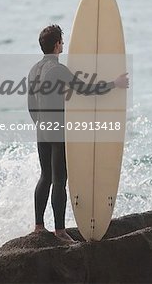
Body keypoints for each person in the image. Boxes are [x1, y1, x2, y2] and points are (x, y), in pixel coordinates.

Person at [28, 24, 129, 243]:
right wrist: (116, 83)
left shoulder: (34, 70)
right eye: (62, 42)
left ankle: (38, 226)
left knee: (45, 176)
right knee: (59, 179)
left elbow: (30, 105)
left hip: (42, 131)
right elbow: (87, 90)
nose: (63, 45)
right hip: (58, 132)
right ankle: (60, 231)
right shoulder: (58, 69)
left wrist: (41, 124)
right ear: (57, 45)